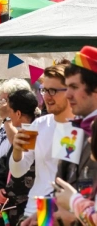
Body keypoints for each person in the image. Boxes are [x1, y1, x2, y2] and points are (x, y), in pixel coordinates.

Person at [9, 62, 74, 226]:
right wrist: (17, 151)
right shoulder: (39, 125)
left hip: (65, 214)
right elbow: (18, 171)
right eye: (44, 90)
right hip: (34, 210)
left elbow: (64, 176)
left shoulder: (82, 128)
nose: (46, 96)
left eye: (53, 90)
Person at [54, 46, 97, 225]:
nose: (68, 94)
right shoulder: (68, 130)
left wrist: (75, 206)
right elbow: (58, 187)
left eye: (74, 87)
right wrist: (43, 218)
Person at [0, 89, 38, 226]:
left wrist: (5, 201)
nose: (8, 114)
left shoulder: (31, 134)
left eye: (9, 111)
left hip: (26, 214)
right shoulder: (24, 133)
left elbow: (25, 176)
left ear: (18, 113)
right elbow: (5, 166)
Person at [55, 118, 97, 226]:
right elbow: (61, 177)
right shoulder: (68, 130)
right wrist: (49, 214)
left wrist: (74, 202)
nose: (89, 140)